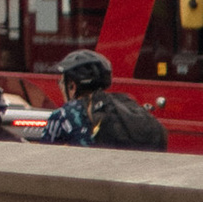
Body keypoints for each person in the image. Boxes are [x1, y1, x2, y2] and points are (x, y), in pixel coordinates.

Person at [41, 47, 169, 152]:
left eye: (61, 83)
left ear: (72, 86)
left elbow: (43, 158)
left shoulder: (64, 114)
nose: (60, 88)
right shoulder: (124, 104)